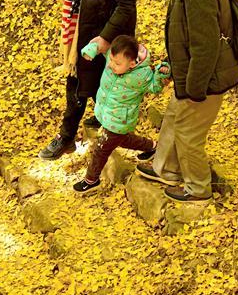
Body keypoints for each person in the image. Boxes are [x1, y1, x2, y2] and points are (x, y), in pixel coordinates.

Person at [134, 0, 238, 201]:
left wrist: (194, 88)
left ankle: (198, 189)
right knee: (173, 116)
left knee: (188, 134)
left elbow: (205, 47)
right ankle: (166, 169)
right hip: (193, 73)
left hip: (206, 77)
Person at [38, 0, 138, 160]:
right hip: (84, 24)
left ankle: (68, 135)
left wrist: (104, 39)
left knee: (86, 82)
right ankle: (78, 132)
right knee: (83, 81)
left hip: (105, 32)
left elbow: (126, 6)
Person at [72, 35, 171, 194]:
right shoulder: (114, 57)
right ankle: (152, 147)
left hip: (120, 119)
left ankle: (91, 180)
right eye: (111, 60)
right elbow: (100, 46)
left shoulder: (141, 75)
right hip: (107, 113)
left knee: (102, 149)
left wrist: (161, 74)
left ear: (132, 63)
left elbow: (154, 87)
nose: (111, 65)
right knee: (122, 139)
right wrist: (91, 50)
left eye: (117, 63)